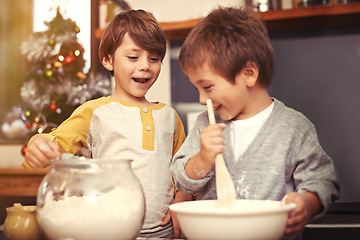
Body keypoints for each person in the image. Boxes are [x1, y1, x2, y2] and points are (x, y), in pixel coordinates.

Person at [170, 7, 340, 239]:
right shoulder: (205, 124)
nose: (201, 100)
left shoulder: (294, 128)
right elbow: (182, 180)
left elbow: (322, 180)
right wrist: (202, 159)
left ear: (248, 74)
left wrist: (306, 204)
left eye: (207, 87)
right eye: (197, 88)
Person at [24, 9, 192, 239]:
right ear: (108, 60)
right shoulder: (94, 111)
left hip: (165, 232)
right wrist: (38, 143)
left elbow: (183, 169)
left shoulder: (170, 116)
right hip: (109, 230)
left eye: (154, 58)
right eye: (133, 57)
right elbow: (55, 141)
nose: (145, 65)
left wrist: (183, 197)